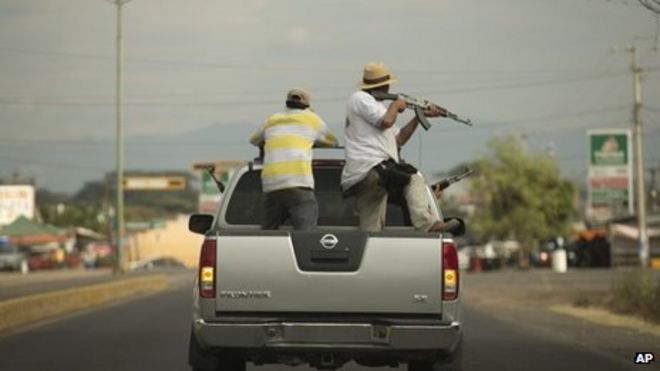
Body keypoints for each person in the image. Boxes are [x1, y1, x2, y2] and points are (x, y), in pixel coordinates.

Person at [341, 61, 452, 232]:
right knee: (414, 177)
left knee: (371, 231)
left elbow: (399, 139)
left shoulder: (376, 108)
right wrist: (396, 105)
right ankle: (427, 224)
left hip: (367, 176)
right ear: (384, 85)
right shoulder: (360, 98)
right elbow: (386, 121)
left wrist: (418, 116)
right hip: (372, 167)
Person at [250, 88, 338, 230]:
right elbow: (333, 142)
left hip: (271, 184)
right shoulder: (312, 119)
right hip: (298, 182)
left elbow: (254, 140)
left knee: (267, 235)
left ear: (287, 103)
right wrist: (311, 140)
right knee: (305, 236)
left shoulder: (272, 120)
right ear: (307, 106)